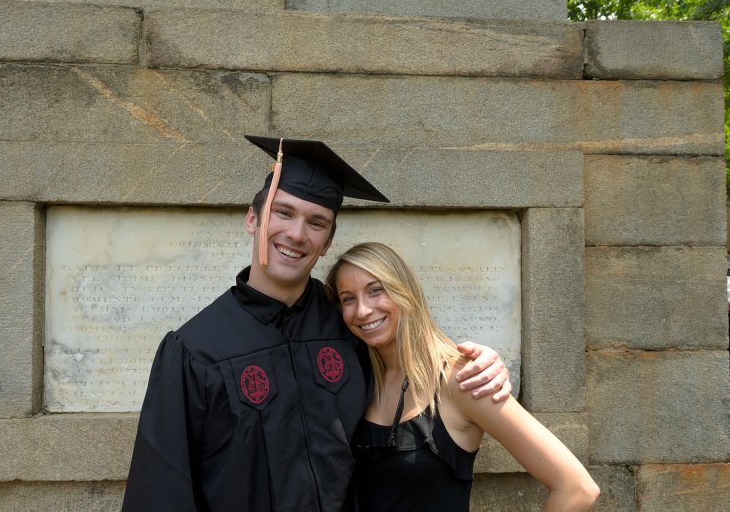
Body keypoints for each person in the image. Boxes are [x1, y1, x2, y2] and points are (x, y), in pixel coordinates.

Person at [122, 137, 512, 511]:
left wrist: (479, 364)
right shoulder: (195, 350)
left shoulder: (350, 326)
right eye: (283, 212)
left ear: (327, 242)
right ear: (252, 218)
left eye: (316, 222)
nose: (296, 233)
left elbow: (413, 364)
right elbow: (162, 491)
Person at [325, 242, 600, 512]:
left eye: (375, 290)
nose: (362, 310)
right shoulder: (357, 379)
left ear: (404, 291)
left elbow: (577, 489)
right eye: (348, 298)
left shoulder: (462, 379)